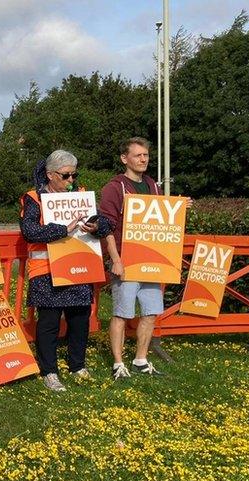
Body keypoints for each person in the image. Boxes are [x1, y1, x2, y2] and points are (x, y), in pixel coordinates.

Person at [20, 150, 112, 391]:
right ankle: (49, 371)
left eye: (74, 175)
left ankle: (77, 365)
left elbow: (105, 224)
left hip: (79, 265)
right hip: (47, 269)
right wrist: (63, 228)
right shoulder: (34, 198)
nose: (72, 180)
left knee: (80, 318)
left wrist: (96, 226)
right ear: (50, 175)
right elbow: (29, 231)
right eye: (66, 175)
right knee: (49, 321)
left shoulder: (81, 195)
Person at [98, 137, 166, 379]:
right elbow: (105, 226)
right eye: (138, 155)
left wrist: (178, 207)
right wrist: (115, 259)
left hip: (151, 261)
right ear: (124, 159)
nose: (143, 159)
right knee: (122, 313)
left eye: (146, 155)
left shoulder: (154, 186)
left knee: (150, 312)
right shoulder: (115, 188)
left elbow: (163, 222)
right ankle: (118, 363)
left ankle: (140, 359)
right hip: (126, 259)